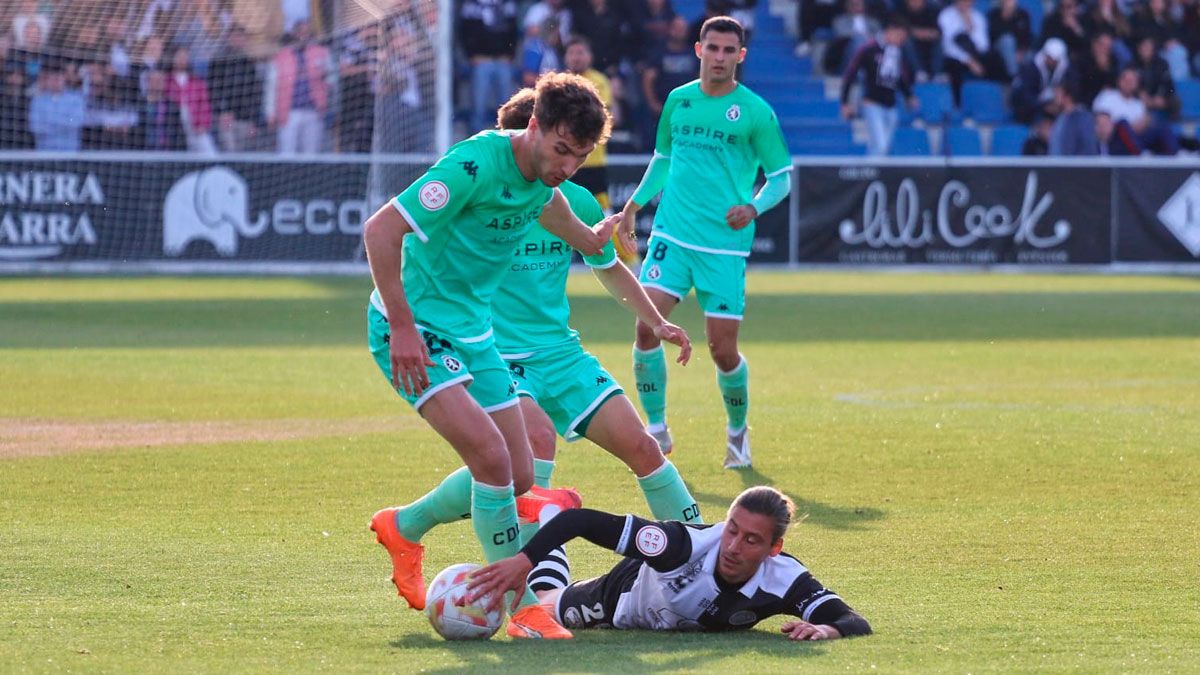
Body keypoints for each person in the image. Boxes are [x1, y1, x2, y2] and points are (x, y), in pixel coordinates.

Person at [364, 72, 621, 641]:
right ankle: (525, 607)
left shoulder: (543, 180)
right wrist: (403, 326)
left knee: (522, 470)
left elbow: (555, 211)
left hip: (473, 335)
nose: (566, 167)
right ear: (533, 125)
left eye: (579, 158)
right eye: (560, 150)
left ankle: (403, 527)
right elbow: (380, 230)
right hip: (413, 328)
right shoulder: (474, 166)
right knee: (491, 458)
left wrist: (592, 238)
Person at [492, 88, 702, 529]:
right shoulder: (483, 201)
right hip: (497, 358)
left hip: (561, 355)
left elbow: (608, 268)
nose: (559, 164)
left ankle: (700, 557)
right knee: (538, 443)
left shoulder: (576, 202)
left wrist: (657, 320)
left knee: (646, 448)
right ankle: (535, 583)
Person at [616, 16, 792, 468]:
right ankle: (656, 428)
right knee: (645, 326)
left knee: (722, 349)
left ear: (740, 56)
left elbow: (781, 177)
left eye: (728, 51)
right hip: (672, 235)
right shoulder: (678, 101)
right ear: (698, 50)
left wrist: (753, 207)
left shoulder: (755, 111)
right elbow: (663, 158)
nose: (719, 57)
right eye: (712, 48)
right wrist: (634, 205)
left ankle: (737, 432)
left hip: (724, 247)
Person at [465, 486, 873, 639]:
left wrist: (824, 629)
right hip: (622, 600)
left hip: (666, 618)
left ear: (774, 548)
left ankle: (546, 516)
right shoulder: (679, 545)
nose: (733, 546)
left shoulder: (785, 579)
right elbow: (583, 521)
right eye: (732, 529)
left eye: (752, 540)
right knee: (539, 610)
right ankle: (546, 511)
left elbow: (854, 621)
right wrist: (522, 560)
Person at [840, 16, 918, 156]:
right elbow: (850, 74)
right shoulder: (869, 48)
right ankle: (869, 176)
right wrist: (845, 102)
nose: (901, 40)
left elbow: (900, 77)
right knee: (880, 145)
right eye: (900, 36)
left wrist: (909, 95)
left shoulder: (896, 51)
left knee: (881, 148)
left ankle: (869, 174)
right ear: (890, 31)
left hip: (891, 105)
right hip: (872, 103)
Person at [563, 38, 615, 214]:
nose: (576, 57)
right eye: (572, 53)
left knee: (602, 211)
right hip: (565, 159)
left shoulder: (599, 81)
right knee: (566, 209)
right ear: (565, 57)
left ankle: (612, 242)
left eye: (580, 52)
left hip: (593, 159)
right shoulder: (559, 83)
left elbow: (598, 112)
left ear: (590, 57)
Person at [267, 19, 330, 154]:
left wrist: (325, 77)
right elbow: (272, 87)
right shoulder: (281, 56)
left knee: (312, 154)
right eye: (301, 32)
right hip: (289, 113)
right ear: (294, 34)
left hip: (314, 111)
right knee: (287, 153)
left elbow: (333, 79)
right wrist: (270, 113)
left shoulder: (322, 53)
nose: (304, 35)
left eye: (307, 32)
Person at [1092, 66, 1178, 154]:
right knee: (1122, 123)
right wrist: (1129, 127)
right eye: (1127, 80)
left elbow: (1143, 125)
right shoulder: (1108, 96)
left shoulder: (1138, 104)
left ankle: (1173, 156)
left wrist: (1144, 122)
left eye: (1132, 81)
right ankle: (1140, 155)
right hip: (1113, 140)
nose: (1129, 84)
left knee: (1162, 126)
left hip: (1136, 138)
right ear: (1119, 81)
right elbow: (1101, 121)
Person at [1010, 38, 1073, 125]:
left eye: (1055, 60)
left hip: (1050, 100)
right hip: (1031, 103)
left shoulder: (1066, 68)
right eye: (1050, 58)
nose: (1052, 61)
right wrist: (1044, 107)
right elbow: (1026, 93)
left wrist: (1060, 101)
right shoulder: (1031, 67)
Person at [27, 60, 86, 151]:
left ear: (64, 79)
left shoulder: (76, 99)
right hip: (44, 152)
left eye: (58, 78)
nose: (55, 82)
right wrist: (63, 123)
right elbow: (35, 127)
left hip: (69, 152)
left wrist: (50, 123)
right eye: (52, 78)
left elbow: (76, 122)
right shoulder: (37, 100)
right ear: (47, 80)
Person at [1049, 81, 1099, 154]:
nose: (1054, 97)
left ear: (1068, 96)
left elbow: (1089, 148)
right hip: (1057, 164)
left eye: (1057, 94)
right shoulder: (1061, 118)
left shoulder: (1083, 118)